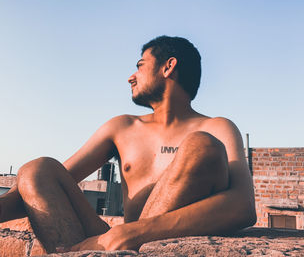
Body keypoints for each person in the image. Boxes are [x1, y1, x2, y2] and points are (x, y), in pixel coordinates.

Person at [0, 36, 256, 253]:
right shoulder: (121, 127)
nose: (131, 78)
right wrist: (117, 238)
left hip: (154, 246)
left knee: (202, 146)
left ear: (168, 67)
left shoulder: (217, 128)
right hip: (110, 245)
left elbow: (242, 207)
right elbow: (42, 187)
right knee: (36, 170)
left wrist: (132, 234)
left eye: (140, 66)